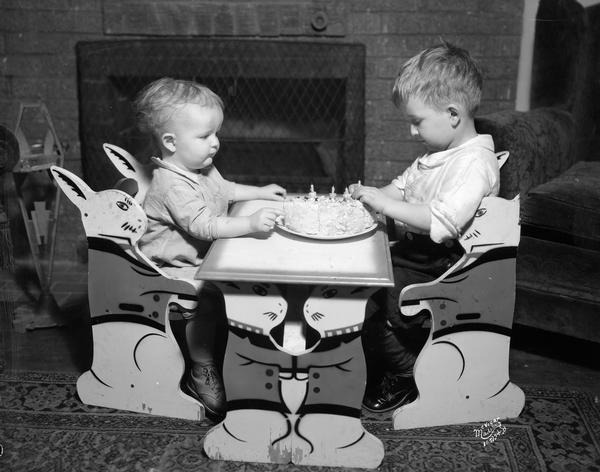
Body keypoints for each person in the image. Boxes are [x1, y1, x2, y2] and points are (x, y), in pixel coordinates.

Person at [351, 41, 500, 412]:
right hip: (418, 253)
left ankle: (405, 373)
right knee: (356, 278)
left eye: (417, 122)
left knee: (369, 300)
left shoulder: (474, 164)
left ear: (452, 113)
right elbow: (399, 188)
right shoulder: (437, 155)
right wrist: (368, 197)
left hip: (445, 264)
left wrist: (386, 205)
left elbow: (442, 221)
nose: (413, 133)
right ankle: (379, 356)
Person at [134, 78, 286, 421]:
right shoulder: (172, 184)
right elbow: (203, 225)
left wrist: (258, 191)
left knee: (250, 268)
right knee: (208, 296)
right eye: (205, 136)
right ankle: (201, 367)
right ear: (171, 142)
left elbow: (225, 190)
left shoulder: (200, 166)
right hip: (173, 269)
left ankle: (249, 345)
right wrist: (249, 224)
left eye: (216, 133)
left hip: (204, 254)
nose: (215, 143)